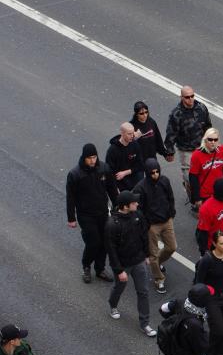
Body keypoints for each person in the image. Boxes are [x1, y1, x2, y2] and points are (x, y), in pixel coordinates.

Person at [105, 190, 156, 337]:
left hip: (138, 260)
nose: (137, 204)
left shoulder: (138, 216)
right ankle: (113, 305)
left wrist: (146, 255)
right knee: (119, 286)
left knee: (143, 292)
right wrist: (119, 270)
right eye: (134, 203)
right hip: (123, 265)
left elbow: (143, 236)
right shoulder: (112, 225)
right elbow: (111, 250)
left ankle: (145, 324)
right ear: (126, 206)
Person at [66, 143, 118, 284]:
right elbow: (70, 198)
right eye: (89, 158)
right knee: (93, 242)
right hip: (86, 215)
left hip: (102, 212)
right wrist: (71, 218)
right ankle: (86, 266)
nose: (92, 160)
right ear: (84, 157)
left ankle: (100, 269)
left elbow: (112, 190)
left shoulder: (104, 169)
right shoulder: (75, 174)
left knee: (105, 242)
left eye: (94, 157)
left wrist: (118, 208)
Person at [134, 158, 177, 294]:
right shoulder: (140, 187)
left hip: (166, 220)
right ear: (147, 173)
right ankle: (159, 279)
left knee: (172, 247)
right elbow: (137, 208)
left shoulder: (164, 181)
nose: (155, 175)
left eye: (157, 172)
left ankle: (157, 263)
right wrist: (145, 223)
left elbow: (170, 197)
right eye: (152, 173)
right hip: (152, 225)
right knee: (153, 255)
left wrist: (171, 212)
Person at [164, 86, 212, 194]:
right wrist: (170, 151)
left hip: (202, 148)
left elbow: (208, 127)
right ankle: (193, 198)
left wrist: (212, 142)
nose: (190, 99)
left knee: (204, 175)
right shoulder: (176, 114)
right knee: (190, 178)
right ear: (181, 97)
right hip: (186, 150)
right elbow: (171, 133)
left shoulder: (202, 108)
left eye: (192, 96)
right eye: (187, 97)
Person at [189, 128, 223, 211]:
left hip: (219, 191)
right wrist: (197, 198)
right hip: (205, 194)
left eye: (215, 139)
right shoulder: (197, 155)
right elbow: (193, 177)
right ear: (205, 140)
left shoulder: (222, 150)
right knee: (207, 218)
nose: (213, 142)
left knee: (218, 215)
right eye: (210, 139)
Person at [106, 122, 145, 192]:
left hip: (135, 184)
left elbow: (140, 164)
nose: (132, 136)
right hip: (121, 186)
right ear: (122, 133)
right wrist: (115, 188)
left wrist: (126, 172)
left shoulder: (135, 145)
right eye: (129, 134)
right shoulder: (112, 150)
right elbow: (109, 172)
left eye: (133, 133)